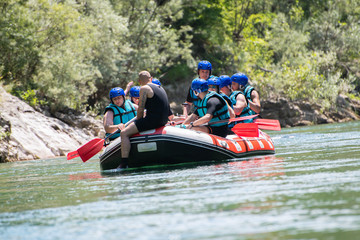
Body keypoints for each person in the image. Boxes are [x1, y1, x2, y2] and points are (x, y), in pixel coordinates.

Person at [120, 71, 170, 168]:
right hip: (164, 120)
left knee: (124, 133)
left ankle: (124, 163)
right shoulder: (160, 87)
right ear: (151, 78)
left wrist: (137, 122)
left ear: (139, 81)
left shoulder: (144, 88)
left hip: (153, 121)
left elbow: (140, 109)